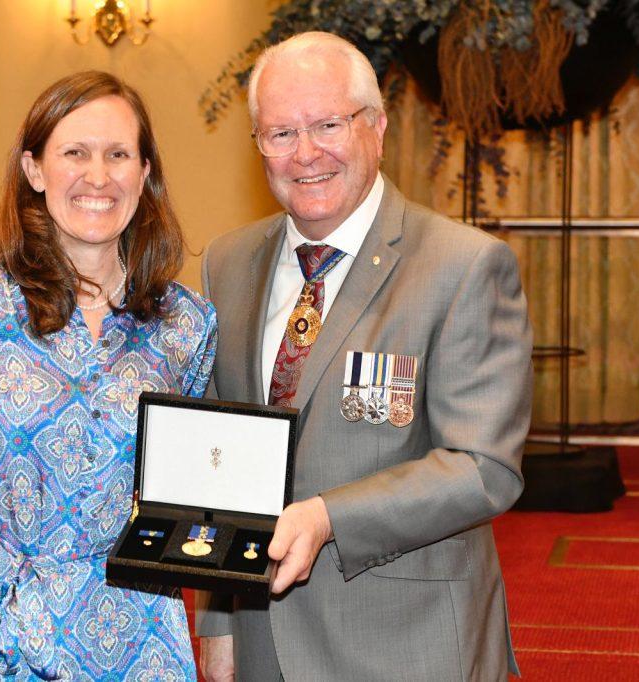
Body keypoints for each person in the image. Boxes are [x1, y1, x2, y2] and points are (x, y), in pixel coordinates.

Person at [198, 32, 532, 681]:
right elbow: (225, 464)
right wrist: (217, 618)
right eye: (280, 133)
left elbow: (483, 467)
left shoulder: (464, 268)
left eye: (328, 124)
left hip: (410, 645)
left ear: (376, 128)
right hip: (266, 643)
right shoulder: (227, 265)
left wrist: (329, 517)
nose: (306, 154)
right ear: (258, 147)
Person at [0, 71, 217, 680]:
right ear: (35, 170)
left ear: (145, 173)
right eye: (74, 152)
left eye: (118, 154)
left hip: (136, 629)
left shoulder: (188, 325)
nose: (98, 177)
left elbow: (195, 489)